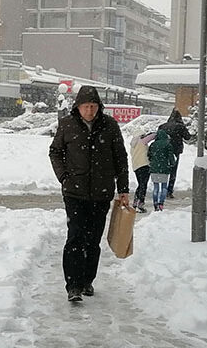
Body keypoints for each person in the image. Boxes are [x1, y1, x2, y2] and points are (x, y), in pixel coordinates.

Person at [49, 85, 130, 302]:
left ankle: (87, 281)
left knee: (93, 240)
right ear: (78, 106)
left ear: (99, 107)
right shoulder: (67, 124)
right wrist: (64, 177)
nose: (90, 111)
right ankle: (73, 286)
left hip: (101, 193)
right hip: (74, 193)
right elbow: (55, 152)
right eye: (86, 106)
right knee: (75, 237)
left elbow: (121, 158)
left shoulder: (110, 125)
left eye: (93, 106)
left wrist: (123, 189)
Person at [158, 109, 191, 199]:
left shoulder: (162, 126)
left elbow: (158, 137)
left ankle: (161, 189)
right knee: (173, 171)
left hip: (163, 151)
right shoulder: (180, 126)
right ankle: (169, 191)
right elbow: (187, 137)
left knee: (164, 170)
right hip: (175, 151)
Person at [147, 129, 177, 211]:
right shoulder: (168, 145)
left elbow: (149, 155)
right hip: (164, 168)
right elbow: (171, 156)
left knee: (156, 187)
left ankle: (155, 204)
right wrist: (172, 164)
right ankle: (161, 203)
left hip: (154, 169)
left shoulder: (153, 145)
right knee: (164, 187)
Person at [129, 131, 154, 213]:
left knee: (140, 184)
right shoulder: (142, 141)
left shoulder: (133, 144)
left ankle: (136, 202)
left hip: (136, 166)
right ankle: (140, 203)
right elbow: (153, 136)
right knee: (143, 185)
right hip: (144, 165)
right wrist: (153, 133)